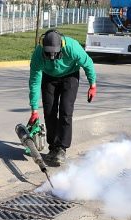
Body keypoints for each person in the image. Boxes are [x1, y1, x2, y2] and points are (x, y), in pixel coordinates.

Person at [28, 29, 97, 167]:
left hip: (70, 76)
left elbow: (88, 63)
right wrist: (34, 109)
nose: (52, 57)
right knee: (49, 112)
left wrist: (92, 84)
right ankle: (53, 147)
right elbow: (34, 82)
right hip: (49, 78)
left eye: (55, 54)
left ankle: (62, 148)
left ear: (61, 46)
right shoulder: (38, 54)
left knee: (65, 110)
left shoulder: (72, 47)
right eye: (48, 54)